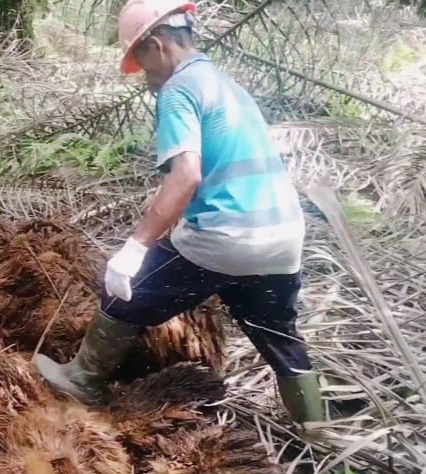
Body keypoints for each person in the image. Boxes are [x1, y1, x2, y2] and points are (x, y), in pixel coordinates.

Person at [32, 0, 325, 425]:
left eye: (141, 61)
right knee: (279, 335)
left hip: (225, 233)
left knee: (123, 294)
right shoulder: (225, 84)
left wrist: (135, 248)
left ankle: (81, 379)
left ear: (156, 45)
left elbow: (185, 176)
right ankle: (315, 428)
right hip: (282, 235)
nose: (145, 75)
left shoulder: (180, 89)